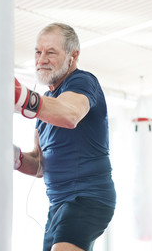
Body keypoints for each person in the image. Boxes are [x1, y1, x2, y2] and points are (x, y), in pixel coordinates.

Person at [14, 23, 116, 251]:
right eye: (38, 52)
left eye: (51, 52)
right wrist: (14, 157)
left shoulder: (82, 81)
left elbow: (70, 114)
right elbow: (40, 165)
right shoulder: (46, 106)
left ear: (73, 56)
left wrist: (23, 98)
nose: (41, 59)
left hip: (88, 198)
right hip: (59, 205)